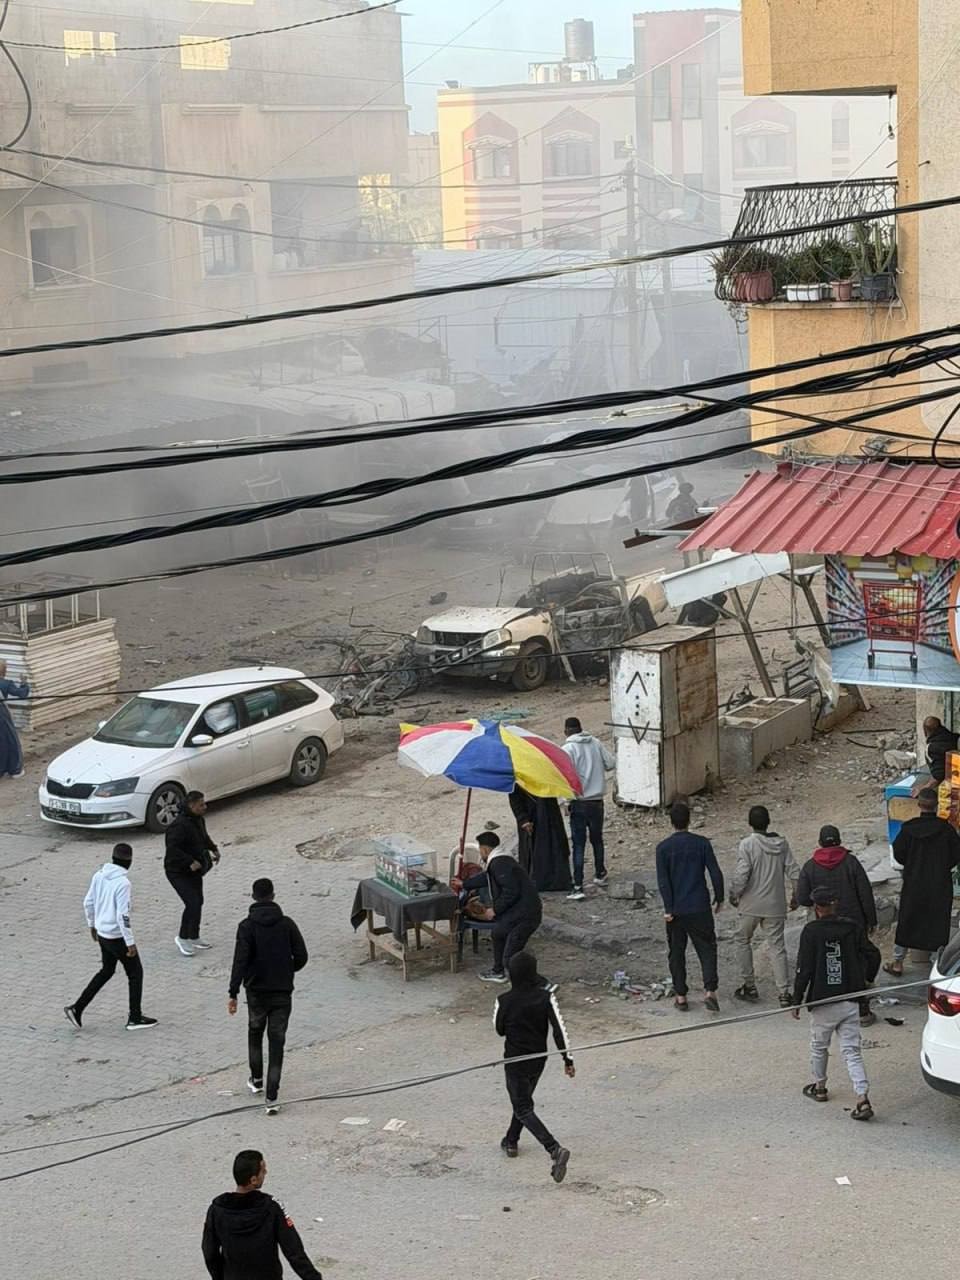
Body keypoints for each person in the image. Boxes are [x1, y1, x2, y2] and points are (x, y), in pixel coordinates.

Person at [791, 886, 875, 1120]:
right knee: (852, 1050)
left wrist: (797, 999)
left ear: (816, 908)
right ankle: (862, 1097)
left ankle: (819, 1087)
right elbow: (873, 954)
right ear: (835, 904)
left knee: (819, 1046)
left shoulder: (811, 931)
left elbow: (804, 968)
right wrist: (867, 981)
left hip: (823, 1000)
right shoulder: (852, 927)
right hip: (850, 998)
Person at [228, 878, 308, 1116]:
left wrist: (233, 992)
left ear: (253, 897)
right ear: (273, 896)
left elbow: (240, 960)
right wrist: (286, 971)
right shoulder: (287, 924)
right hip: (282, 991)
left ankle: (256, 1079)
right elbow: (302, 956)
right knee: (277, 1042)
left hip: (256, 993)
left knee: (255, 1033)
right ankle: (272, 1098)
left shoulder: (246, 927)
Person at [494, 950, 574, 1183]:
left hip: (515, 1061)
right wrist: (567, 1060)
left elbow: (499, 1030)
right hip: (539, 1059)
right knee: (523, 1101)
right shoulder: (545, 997)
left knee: (522, 1106)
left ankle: (554, 1149)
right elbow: (559, 1030)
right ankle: (511, 1141)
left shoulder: (503, 1000)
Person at [64, 844, 157, 1031]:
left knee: (106, 970)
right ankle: (135, 1017)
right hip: (116, 936)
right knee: (135, 973)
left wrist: (92, 924)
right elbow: (123, 916)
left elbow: (88, 902)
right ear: (129, 861)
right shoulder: (123, 883)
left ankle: (77, 1008)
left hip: (102, 933)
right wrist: (130, 942)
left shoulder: (99, 875)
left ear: (113, 858)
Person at [797, 824, 880, 1024]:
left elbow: (802, 898)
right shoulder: (851, 862)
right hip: (853, 922)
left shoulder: (810, 866)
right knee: (856, 962)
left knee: (828, 962)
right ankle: (862, 1009)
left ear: (819, 842)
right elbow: (865, 892)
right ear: (840, 840)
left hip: (823, 925)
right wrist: (871, 919)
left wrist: (817, 902)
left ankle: (829, 1005)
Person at [202, 1149, 323, 1280]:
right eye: (263, 1170)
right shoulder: (271, 1208)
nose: (265, 1173)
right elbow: (294, 1251)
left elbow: (210, 1252)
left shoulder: (217, 1211)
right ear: (253, 1179)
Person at [655, 800, 724, 1011]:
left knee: (677, 952)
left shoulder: (663, 848)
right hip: (699, 906)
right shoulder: (702, 843)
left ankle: (681, 996)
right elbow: (715, 872)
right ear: (689, 820)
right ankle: (710, 991)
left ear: (671, 822)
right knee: (707, 948)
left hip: (676, 909)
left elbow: (663, 881)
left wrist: (668, 908)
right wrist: (719, 897)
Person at [729, 805, 800, 1008]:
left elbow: (742, 874)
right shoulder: (782, 844)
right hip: (775, 904)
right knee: (777, 947)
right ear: (768, 822)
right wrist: (795, 896)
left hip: (750, 904)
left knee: (742, 940)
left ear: (750, 823)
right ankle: (784, 993)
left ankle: (749, 986)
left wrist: (735, 894)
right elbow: (794, 872)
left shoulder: (747, 844)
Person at [884, 787, 960, 976]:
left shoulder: (908, 829)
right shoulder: (946, 830)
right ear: (937, 805)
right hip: (939, 884)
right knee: (938, 922)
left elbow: (899, 855)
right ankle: (936, 964)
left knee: (907, 919)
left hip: (914, 882)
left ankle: (898, 962)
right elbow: (956, 855)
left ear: (919, 805)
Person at [453, 832, 542, 984]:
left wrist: (495, 910)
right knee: (498, 933)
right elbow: (487, 877)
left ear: (485, 849)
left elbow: (511, 891)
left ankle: (542, 985)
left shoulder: (500, 864)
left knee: (510, 958)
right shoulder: (499, 861)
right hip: (519, 912)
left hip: (525, 915)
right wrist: (465, 884)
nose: (481, 853)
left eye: (480, 850)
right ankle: (497, 971)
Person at [561, 716, 615, 900]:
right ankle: (600, 873)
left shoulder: (568, 749)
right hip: (597, 801)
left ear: (566, 731)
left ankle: (577, 886)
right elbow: (610, 763)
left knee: (578, 845)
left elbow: (567, 778)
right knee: (597, 839)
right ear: (580, 728)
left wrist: (567, 801)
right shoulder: (596, 743)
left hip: (579, 802)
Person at [164, 790, 219, 956]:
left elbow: (203, 837)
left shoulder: (198, 819)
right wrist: (189, 861)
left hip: (195, 870)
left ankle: (194, 936)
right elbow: (172, 849)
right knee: (192, 902)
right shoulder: (178, 825)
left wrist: (214, 848)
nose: (205, 807)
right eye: (201, 805)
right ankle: (182, 938)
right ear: (191, 805)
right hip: (177, 871)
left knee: (198, 901)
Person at [508, 785, 572, 893]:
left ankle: (558, 881)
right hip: (532, 819)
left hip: (551, 818)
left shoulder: (547, 777)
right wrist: (523, 819)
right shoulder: (519, 779)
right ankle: (538, 882)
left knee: (555, 849)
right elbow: (515, 800)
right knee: (536, 851)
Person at [0, 659, 29, 779]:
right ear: (4, 670)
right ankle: (15, 769)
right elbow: (22, 694)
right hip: (2, 716)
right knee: (10, 740)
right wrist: (24, 683)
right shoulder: (6, 684)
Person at [923, 715, 959, 784]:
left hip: (949, 783)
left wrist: (924, 787)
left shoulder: (931, 748)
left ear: (925, 731)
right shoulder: (956, 738)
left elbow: (938, 776)